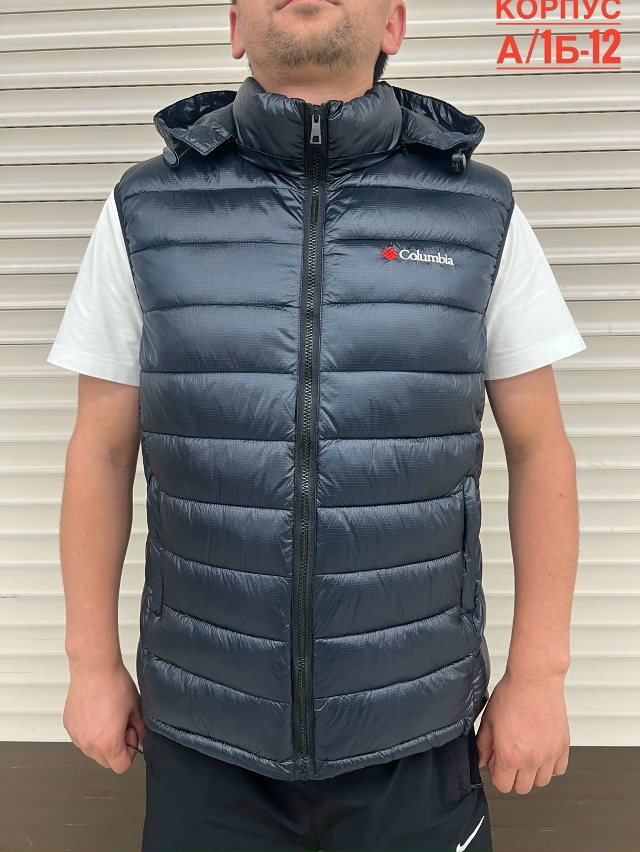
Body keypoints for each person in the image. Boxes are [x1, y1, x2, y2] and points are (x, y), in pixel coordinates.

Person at [48, 1, 586, 850]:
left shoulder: (477, 212)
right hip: (205, 735)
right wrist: (89, 663)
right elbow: (100, 451)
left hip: (415, 733)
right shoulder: (145, 209)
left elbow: (541, 447)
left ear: (394, 25)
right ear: (235, 27)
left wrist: (541, 675)